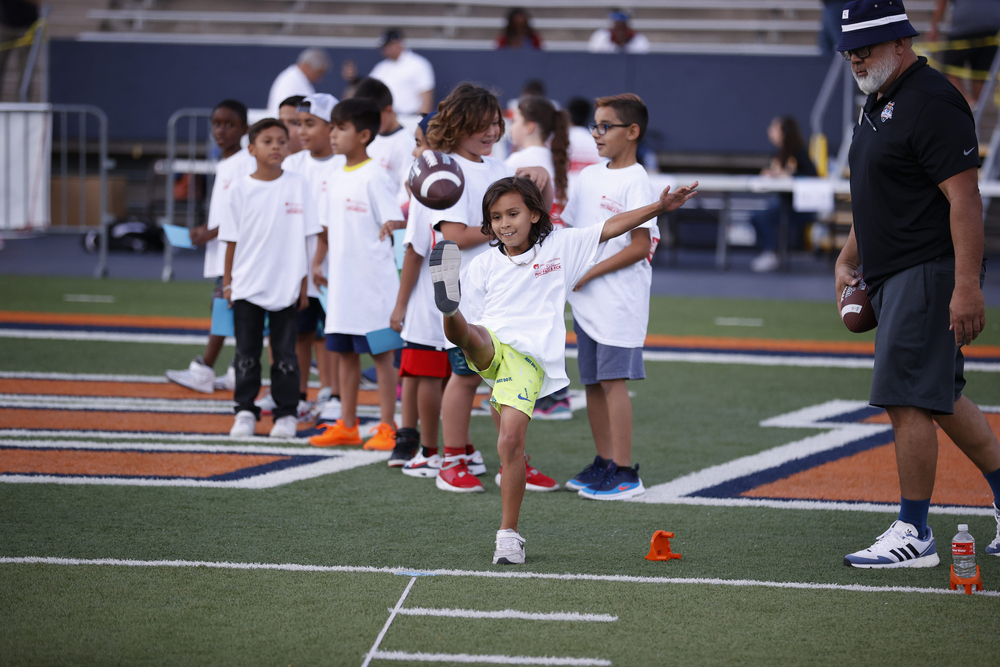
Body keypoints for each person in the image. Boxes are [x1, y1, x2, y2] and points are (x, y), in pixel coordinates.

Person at [430, 176, 697, 563]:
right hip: (491, 344)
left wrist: (660, 208)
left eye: (513, 214)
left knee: (508, 445)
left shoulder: (561, 246)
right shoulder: (483, 266)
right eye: (496, 217)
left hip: (527, 357)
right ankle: (448, 307)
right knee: (470, 336)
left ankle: (509, 535)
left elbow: (613, 225)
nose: (505, 224)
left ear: (535, 214)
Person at [834, 0, 1000, 567]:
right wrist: (847, 256)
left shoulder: (930, 100)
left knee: (905, 396)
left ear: (901, 43)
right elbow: (880, 192)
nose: (856, 59)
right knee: (943, 397)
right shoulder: (880, 100)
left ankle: (916, 530)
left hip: (925, 271)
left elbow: (964, 199)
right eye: (850, 51)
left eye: (866, 49)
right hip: (893, 271)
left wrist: (967, 286)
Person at [405, 83, 553, 493]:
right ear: (458, 124)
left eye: (495, 123)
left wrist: (539, 182)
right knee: (466, 376)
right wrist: (503, 228)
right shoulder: (445, 167)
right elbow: (452, 235)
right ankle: (451, 460)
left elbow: (532, 213)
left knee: (507, 380)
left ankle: (513, 462)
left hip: (499, 286)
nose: (491, 132)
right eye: (481, 125)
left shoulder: (494, 165)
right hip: (463, 286)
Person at [562, 93, 660, 501]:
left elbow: (641, 246)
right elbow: (569, 228)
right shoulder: (588, 177)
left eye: (606, 126)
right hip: (585, 302)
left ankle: (624, 471)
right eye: (595, 126)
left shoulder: (637, 179)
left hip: (619, 301)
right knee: (592, 382)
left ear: (632, 132)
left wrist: (591, 271)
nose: (597, 134)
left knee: (613, 382)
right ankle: (603, 462)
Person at [308, 98, 405, 452]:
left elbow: (394, 224)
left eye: (341, 128)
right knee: (345, 355)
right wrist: (318, 262)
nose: (332, 134)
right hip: (342, 288)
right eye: (331, 127)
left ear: (364, 135)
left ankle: (388, 426)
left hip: (374, 287)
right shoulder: (333, 177)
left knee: (381, 358)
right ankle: (347, 424)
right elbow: (326, 229)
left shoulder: (376, 176)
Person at [220, 118, 321, 439]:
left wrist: (305, 286)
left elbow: (308, 238)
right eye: (267, 141)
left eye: (281, 140)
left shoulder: (298, 184)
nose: (276, 146)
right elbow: (230, 240)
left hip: (288, 286)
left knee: (285, 353)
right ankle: (245, 411)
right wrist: (227, 283)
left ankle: (286, 413)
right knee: (246, 353)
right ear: (251, 149)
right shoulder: (239, 188)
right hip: (247, 285)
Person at [166, 100, 254, 395]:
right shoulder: (227, 161)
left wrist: (211, 231)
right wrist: (207, 230)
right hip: (224, 251)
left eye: (229, 125)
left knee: (223, 308)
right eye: (216, 124)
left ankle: (205, 368)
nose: (221, 131)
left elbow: (245, 210)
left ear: (244, 129)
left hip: (236, 255)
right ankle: (236, 369)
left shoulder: (244, 162)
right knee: (230, 311)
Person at [389, 112, 456, 471]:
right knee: (426, 372)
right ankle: (429, 444)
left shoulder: (429, 187)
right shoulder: (441, 183)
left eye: (419, 143)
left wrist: (400, 305)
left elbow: (415, 250)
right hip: (442, 295)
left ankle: (433, 449)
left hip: (432, 298)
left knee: (428, 372)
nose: (415, 152)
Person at [271, 94, 344, 424]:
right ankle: (298, 396)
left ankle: (334, 393)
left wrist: (319, 258)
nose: (301, 131)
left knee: (333, 333)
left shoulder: (341, 164)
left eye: (309, 124)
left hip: (333, 266)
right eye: (298, 124)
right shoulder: (293, 165)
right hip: (299, 266)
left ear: (332, 127)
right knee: (299, 332)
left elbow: (330, 221)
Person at [749, 116, 818, 273]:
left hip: (801, 206)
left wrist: (787, 175)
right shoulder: (778, 154)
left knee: (764, 217)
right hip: (785, 202)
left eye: (774, 128)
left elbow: (812, 177)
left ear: (784, 133)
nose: (770, 132)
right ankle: (769, 251)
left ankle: (772, 254)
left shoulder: (799, 153)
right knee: (756, 216)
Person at [352, 77, 417, 202]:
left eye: (372, 117)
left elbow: (405, 194)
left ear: (388, 110)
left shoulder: (407, 144)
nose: (368, 122)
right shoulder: (366, 137)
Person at [345, 29, 435, 116]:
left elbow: (426, 96)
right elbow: (368, 87)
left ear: (397, 43)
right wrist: (353, 79)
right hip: (386, 117)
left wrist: (421, 121)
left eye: (387, 45)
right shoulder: (382, 67)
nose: (384, 50)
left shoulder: (418, 64)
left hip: (409, 117)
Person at [929, 0, 1000, 108]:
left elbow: (942, 2)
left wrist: (934, 27)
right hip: (990, 29)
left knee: (949, 70)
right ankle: (973, 108)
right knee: (980, 76)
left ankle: (970, 105)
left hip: (965, 28)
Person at [266, 48, 330, 117]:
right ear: (307, 66)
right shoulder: (292, 82)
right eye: (319, 72)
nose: (320, 79)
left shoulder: (295, 78)